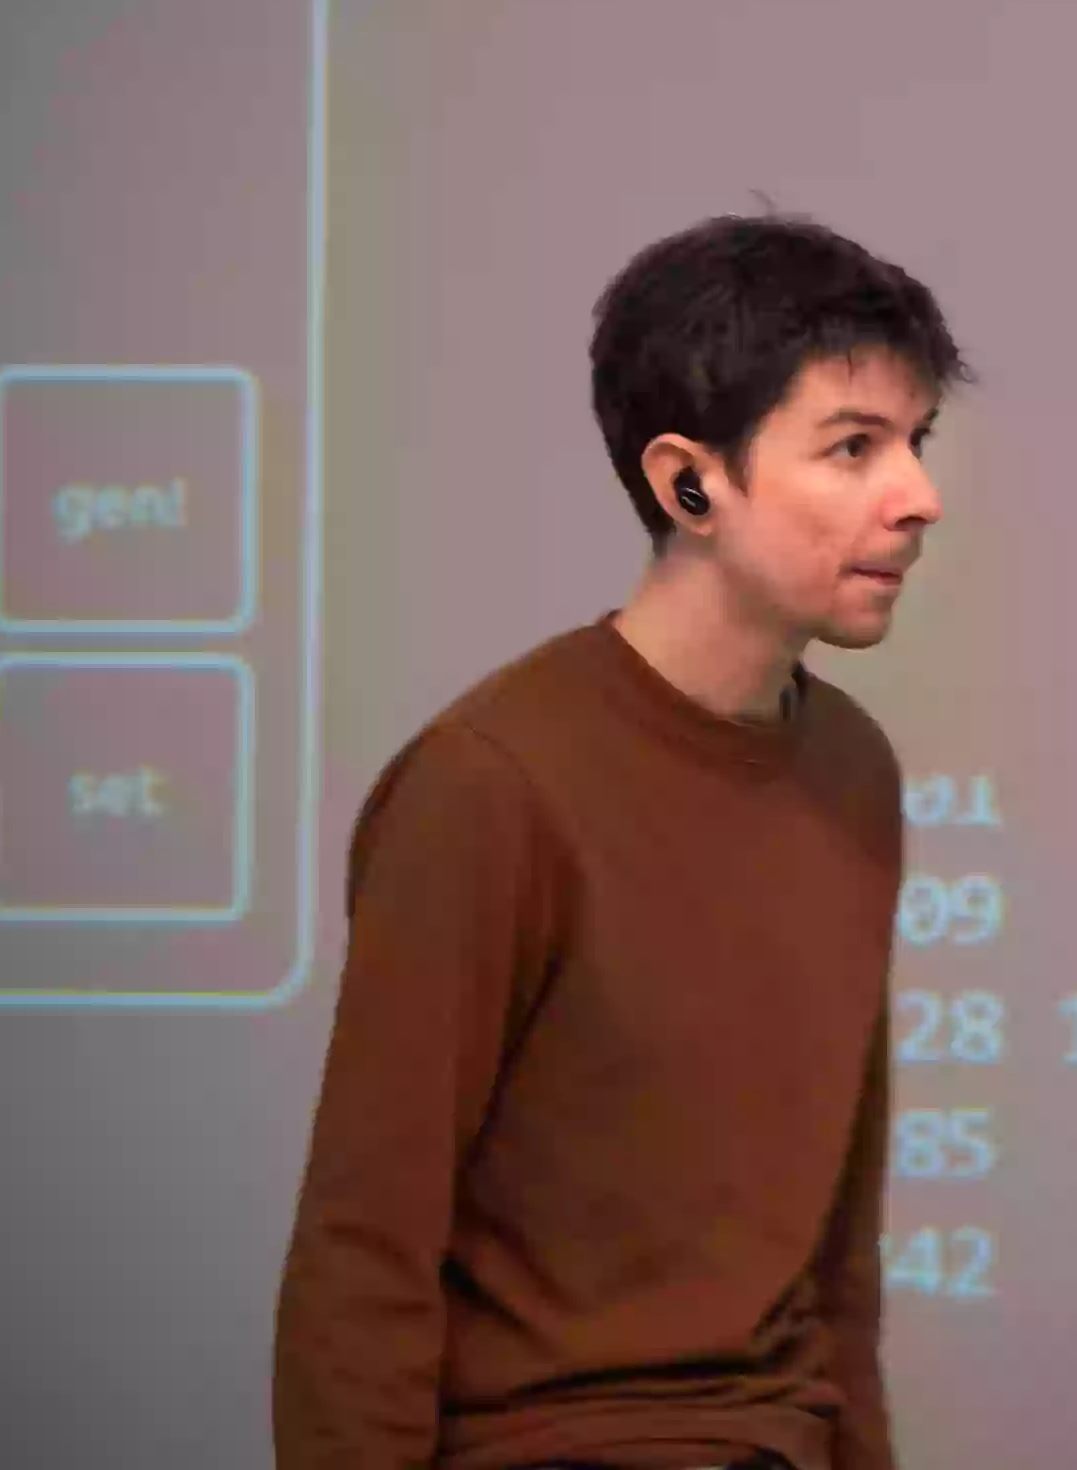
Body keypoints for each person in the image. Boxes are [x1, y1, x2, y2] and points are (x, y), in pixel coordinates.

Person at [273, 212, 969, 1469]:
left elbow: (835, 1263)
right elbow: (363, 1254)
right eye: (853, 446)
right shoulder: (489, 785)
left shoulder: (853, 768)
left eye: (913, 443)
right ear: (687, 482)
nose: (918, 497)